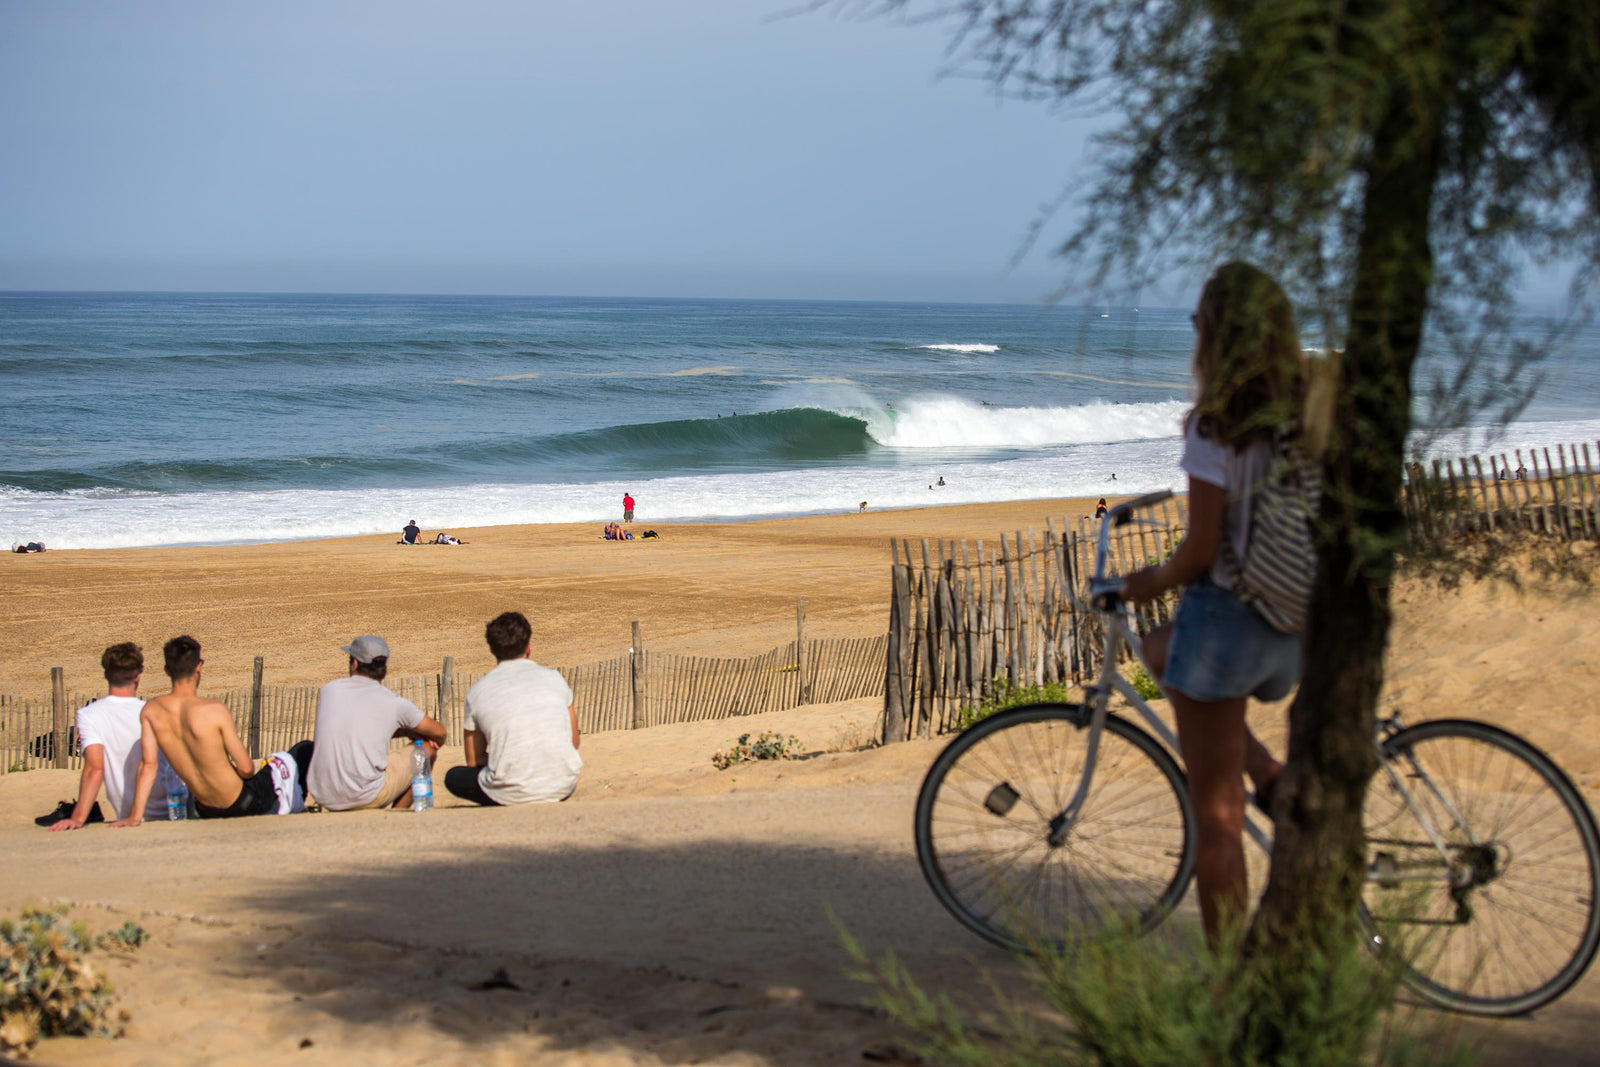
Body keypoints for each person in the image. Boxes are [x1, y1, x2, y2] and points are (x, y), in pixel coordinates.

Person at [1118, 262, 1308, 941]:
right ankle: (1270, 772)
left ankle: (1229, 986)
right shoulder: (1310, 412)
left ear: (1215, 337)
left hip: (1233, 622)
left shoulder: (1215, 425)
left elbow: (1200, 551)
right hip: (1298, 623)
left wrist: (1144, 582)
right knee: (1160, 648)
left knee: (1218, 825)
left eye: (1198, 324)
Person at [115, 636, 308, 824]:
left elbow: (148, 766)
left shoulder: (151, 710)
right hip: (243, 803)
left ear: (167, 670)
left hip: (205, 808)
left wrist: (135, 815)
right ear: (198, 667)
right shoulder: (214, 711)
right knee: (303, 750)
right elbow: (247, 768)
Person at [445, 611, 581, 806]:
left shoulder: (477, 692)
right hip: (562, 784)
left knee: (453, 777)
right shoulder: (555, 679)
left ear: (492, 650)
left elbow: (474, 760)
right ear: (529, 647)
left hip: (509, 792)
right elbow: (573, 742)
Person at [305, 635, 446, 811]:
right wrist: (420, 735)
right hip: (366, 796)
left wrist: (407, 732)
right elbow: (440, 733)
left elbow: (357, 727)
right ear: (384, 669)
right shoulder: (392, 702)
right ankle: (395, 813)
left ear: (354, 663)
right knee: (427, 749)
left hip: (324, 795)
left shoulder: (329, 691)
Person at [44, 642, 168, 830]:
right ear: (138, 676)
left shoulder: (90, 715)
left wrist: (78, 818)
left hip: (129, 813)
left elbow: (95, 769)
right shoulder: (153, 711)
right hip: (168, 809)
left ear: (106, 675)